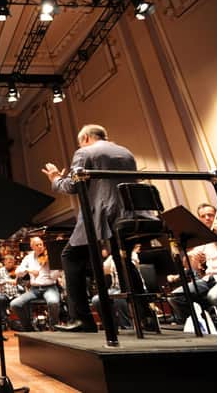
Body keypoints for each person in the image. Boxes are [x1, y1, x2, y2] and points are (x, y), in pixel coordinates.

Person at [42, 124, 144, 333]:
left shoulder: (84, 152)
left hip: (101, 215)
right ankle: (145, 316)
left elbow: (72, 186)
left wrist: (55, 178)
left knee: (70, 257)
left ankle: (82, 320)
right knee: (123, 260)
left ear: (86, 138)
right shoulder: (126, 152)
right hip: (131, 213)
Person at [167, 203, 217, 324]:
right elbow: (192, 267)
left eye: (210, 215)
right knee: (175, 297)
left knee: (215, 295)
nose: (207, 218)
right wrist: (192, 259)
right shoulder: (203, 240)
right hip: (209, 279)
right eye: (203, 216)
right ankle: (202, 326)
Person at [10, 236, 62, 331]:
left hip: (50, 287)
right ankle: (29, 328)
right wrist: (28, 270)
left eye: (41, 244)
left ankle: (53, 328)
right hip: (34, 290)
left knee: (53, 302)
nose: (40, 246)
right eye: (37, 245)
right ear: (32, 247)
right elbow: (18, 272)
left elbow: (54, 277)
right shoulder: (28, 258)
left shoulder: (49, 255)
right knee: (14, 304)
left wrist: (57, 267)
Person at [0, 254, 24, 330]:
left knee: (23, 300)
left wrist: (19, 284)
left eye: (12, 262)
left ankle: (21, 322)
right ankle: (3, 322)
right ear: (5, 262)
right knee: (0, 299)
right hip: (4, 293)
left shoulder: (17, 271)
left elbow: (22, 283)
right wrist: (7, 281)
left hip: (15, 293)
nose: (11, 264)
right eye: (9, 262)